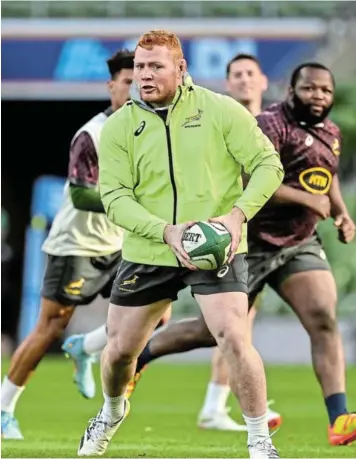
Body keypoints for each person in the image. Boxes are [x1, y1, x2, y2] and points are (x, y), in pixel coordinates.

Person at [77, 29, 284, 459]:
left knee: (232, 335)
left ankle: (259, 441)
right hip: (149, 249)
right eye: (139, 67)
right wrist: (165, 231)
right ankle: (112, 411)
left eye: (156, 66)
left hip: (217, 245)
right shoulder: (118, 128)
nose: (145, 75)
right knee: (118, 354)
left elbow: (268, 165)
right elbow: (114, 198)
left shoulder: (221, 110)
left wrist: (235, 217)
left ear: (181, 68)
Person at [128, 62, 356, 447]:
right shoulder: (269, 124)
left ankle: (339, 418)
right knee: (211, 332)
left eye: (325, 91)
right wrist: (305, 198)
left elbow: (327, 173)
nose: (318, 96)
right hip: (248, 242)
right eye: (309, 89)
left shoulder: (330, 132)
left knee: (323, 317)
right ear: (291, 91)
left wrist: (341, 212)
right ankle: (139, 356)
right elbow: (250, 176)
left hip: (298, 242)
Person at [1, 50, 135, 440]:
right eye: (127, 82)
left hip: (121, 243)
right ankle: (5, 406)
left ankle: (86, 347)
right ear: (111, 85)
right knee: (49, 327)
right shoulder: (91, 135)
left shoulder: (147, 131)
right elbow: (80, 195)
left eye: (140, 82)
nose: (134, 89)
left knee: (154, 313)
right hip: (76, 245)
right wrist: (129, 203)